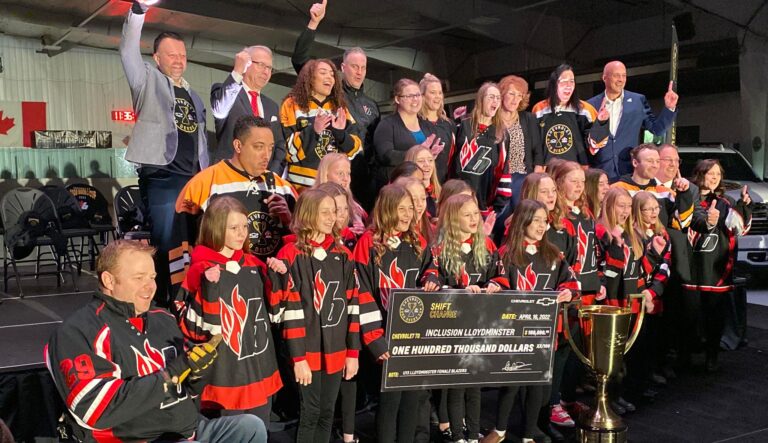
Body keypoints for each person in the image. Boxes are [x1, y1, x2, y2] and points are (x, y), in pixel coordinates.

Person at [45, 240, 267, 443]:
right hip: (135, 439)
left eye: (152, 278)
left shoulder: (164, 318)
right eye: (139, 278)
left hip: (188, 431)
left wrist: (198, 371)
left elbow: (188, 391)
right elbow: (93, 410)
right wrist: (173, 372)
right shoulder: (77, 331)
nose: (150, 287)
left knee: (251, 427)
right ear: (109, 280)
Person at [119, 0, 209, 306]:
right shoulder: (147, 80)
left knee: (195, 242)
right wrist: (138, 12)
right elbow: (128, 51)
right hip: (163, 174)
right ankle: (159, 305)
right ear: (156, 57)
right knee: (166, 240)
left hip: (194, 177)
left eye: (183, 55)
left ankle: (190, 300)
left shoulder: (193, 94)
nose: (179, 59)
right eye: (171, 54)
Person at [177, 196, 284, 425]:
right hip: (224, 374)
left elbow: (275, 314)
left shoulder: (255, 264)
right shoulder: (199, 269)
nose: (241, 233)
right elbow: (189, 328)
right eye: (233, 228)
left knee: (259, 431)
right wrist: (208, 289)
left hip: (258, 367)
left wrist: (279, 278)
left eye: (245, 226)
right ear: (215, 229)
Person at [273, 188, 360, 443]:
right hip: (306, 352)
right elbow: (289, 312)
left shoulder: (343, 255)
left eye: (334, 211)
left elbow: (352, 306)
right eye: (325, 212)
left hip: (336, 350)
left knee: (326, 412)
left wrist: (352, 353)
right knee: (310, 413)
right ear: (308, 214)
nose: (332, 217)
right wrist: (298, 358)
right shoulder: (290, 254)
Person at [488, 199, 577, 443]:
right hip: (513, 330)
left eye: (544, 220)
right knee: (513, 381)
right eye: (536, 220)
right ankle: (500, 429)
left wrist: (569, 292)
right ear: (522, 221)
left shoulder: (553, 254)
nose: (541, 225)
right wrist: (496, 286)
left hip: (544, 330)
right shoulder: (506, 253)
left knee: (538, 382)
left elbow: (571, 282)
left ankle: (529, 432)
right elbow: (499, 280)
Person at [172, 116, 297, 285]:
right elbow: (181, 246)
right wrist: (183, 293)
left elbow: (305, 243)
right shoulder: (203, 184)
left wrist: (290, 221)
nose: (266, 155)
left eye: (270, 148)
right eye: (258, 147)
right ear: (238, 146)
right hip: (223, 289)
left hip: (272, 289)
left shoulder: (284, 188)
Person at [354, 184, 430, 443]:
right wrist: (375, 339)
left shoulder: (417, 241)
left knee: (411, 399)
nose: (409, 214)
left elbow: (433, 269)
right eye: (402, 209)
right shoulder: (368, 243)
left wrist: (432, 279)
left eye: (411, 208)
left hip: (413, 337)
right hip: (384, 336)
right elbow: (361, 293)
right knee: (389, 401)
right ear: (387, 210)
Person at [422, 194, 500, 443]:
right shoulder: (439, 248)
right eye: (467, 215)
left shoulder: (486, 246)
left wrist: (495, 285)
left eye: (476, 214)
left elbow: (501, 275)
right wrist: (459, 292)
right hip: (453, 327)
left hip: (479, 327)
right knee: (456, 386)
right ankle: (457, 435)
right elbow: (432, 280)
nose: (474, 219)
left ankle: (473, 434)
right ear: (454, 218)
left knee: (474, 386)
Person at [292, 0, 381, 210]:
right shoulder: (332, 93)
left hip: (364, 180)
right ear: (342, 67)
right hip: (334, 177)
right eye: (354, 66)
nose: (359, 71)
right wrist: (313, 24)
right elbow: (300, 61)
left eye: (363, 67)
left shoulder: (372, 105)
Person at [684, 160, 752, 371]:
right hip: (689, 269)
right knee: (687, 317)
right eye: (709, 173)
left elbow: (741, 227)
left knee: (714, 317)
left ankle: (711, 357)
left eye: (717, 174)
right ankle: (683, 357)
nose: (714, 177)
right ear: (698, 174)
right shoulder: (686, 197)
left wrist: (744, 206)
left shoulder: (725, 202)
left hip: (716, 270)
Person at [587, 61, 679, 180]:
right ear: (604, 78)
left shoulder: (637, 101)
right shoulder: (590, 105)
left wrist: (669, 108)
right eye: (616, 75)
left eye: (624, 75)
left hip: (628, 172)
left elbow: (657, 129)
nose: (621, 79)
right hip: (598, 173)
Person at [281, 59, 362, 191]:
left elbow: (356, 151)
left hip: (334, 188)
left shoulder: (340, 107)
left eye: (332, 74)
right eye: (323, 73)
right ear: (310, 78)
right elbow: (287, 151)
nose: (329, 77)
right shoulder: (291, 104)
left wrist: (341, 135)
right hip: (301, 190)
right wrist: (313, 131)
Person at [210, 46, 287, 171]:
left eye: (269, 68)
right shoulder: (227, 93)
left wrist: (273, 173)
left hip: (261, 180)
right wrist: (237, 71)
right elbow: (220, 109)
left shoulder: (271, 106)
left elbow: (279, 144)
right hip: (229, 175)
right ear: (246, 64)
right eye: (261, 65)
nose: (266, 72)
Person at [531, 64, 609, 168]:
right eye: (564, 81)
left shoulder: (586, 110)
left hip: (577, 173)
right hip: (547, 174)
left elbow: (595, 145)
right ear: (554, 84)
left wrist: (601, 122)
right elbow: (535, 145)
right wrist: (538, 168)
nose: (568, 85)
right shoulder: (539, 109)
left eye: (572, 81)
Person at [373, 79, 441, 192]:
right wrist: (415, 155)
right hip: (398, 190)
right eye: (409, 96)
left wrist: (432, 155)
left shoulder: (428, 126)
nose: (415, 99)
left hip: (425, 189)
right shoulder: (387, 125)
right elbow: (386, 156)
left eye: (418, 95)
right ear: (397, 99)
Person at [449, 82, 506, 214]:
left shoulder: (500, 133)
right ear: (480, 99)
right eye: (491, 97)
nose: (495, 101)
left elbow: (503, 169)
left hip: (483, 203)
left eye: (498, 98)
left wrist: (499, 203)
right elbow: (449, 159)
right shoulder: (462, 125)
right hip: (456, 199)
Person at [611, 144, 693, 232]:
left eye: (657, 161)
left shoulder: (666, 193)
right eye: (650, 161)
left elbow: (683, 223)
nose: (655, 165)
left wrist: (684, 194)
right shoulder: (615, 189)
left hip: (656, 244)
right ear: (635, 163)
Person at [495, 75, 544, 210]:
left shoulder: (528, 118)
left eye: (519, 95)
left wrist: (535, 178)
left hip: (523, 177)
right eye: (511, 94)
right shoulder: (492, 119)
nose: (515, 99)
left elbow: (538, 151)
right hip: (498, 179)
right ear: (502, 94)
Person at [314, 153, 367, 236]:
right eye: (340, 173)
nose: (346, 179)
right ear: (326, 174)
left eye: (348, 173)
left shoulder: (356, 206)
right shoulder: (313, 202)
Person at [419, 73, 456, 182]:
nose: (437, 96)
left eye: (440, 93)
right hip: (422, 184)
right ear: (423, 95)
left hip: (445, 185)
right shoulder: (415, 123)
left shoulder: (449, 124)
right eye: (432, 92)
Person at [405, 145, 441, 217]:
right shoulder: (404, 193)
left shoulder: (440, 192)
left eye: (430, 160)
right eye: (421, 161)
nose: (427, 164)